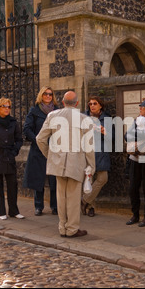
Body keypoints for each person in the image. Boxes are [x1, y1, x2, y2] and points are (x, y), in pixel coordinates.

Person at [36, 91, 96, 238]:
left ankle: (62, 227)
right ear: (76, 103)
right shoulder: (84, 119)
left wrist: (50, 155)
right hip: (76, 163)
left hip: (58, 162)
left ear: (63, 102)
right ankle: (72, 229)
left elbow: (40, 139)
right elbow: (89, 146)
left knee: (61, 196)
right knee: (74, 198)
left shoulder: (52, 116)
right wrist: (91, 166)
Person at [22, 87, 59, 216]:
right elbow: (27, 129)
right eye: (45, 94)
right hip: (38, 149)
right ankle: (38, 206)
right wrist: (37, 140)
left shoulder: (57, 111)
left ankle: (55, 206)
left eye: (50, 94)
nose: (48, 96)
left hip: (54, 149)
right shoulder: (34, 110)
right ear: (41, 95)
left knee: (55, 179)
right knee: (39, 179)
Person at [125, 99, 145, 227]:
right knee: (133, 188)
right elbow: (127, 135)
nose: (140, 109)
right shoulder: (136, 120)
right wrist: (142, 135)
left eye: (142, 107)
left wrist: (138, 134)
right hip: (134, 158)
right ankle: (135, 215)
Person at [81, 95, 113, 217]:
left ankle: (84, 200)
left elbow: (113, 138)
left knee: (102, 178)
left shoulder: (106, 118)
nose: (92, 106)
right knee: (89, 179)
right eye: (90, 104)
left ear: (100, 105)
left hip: (101, 152)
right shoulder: (83, 117)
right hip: (87, 151)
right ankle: (91, 207)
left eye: (95, 103)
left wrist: (105, 132)